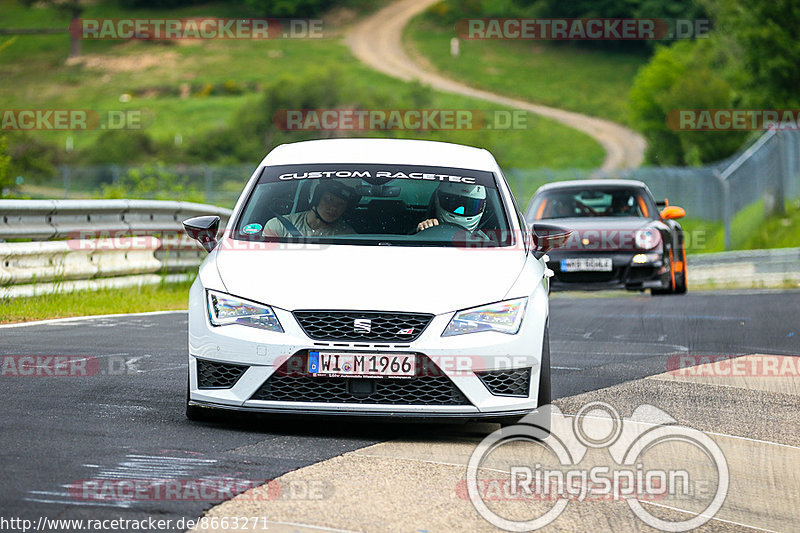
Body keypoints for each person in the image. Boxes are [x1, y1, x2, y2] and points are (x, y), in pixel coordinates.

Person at [263, 180, 359, 238]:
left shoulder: (347, 235)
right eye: (329, 199)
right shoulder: (278, 225)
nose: (334, 207)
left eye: (341, 204)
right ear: (316, 199)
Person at [416, 182, 488, 237]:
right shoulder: (428, 228)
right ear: (438, 200)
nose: (461, 211)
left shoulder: (484, 243)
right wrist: (423, 231)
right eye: (454, 203)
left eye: (470, 207)